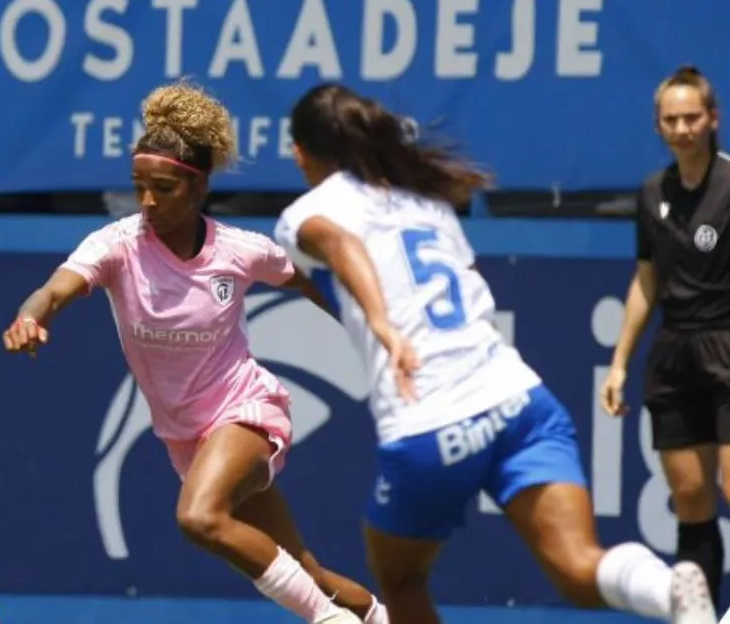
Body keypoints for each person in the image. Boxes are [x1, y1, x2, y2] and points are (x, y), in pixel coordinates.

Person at [273, 81, 717, 624]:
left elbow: (343, 247)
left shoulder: (308, 211)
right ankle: (670, 589)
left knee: (401, 580)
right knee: (579, 569)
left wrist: (383, 324)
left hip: (430, 423)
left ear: (301, 151)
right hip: (520, 403)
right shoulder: (425, 199)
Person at [2, 81, 388, 624]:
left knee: (199, 517)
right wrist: (30, 317)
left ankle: (330, 623)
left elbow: (313, 283)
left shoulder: (241, 251)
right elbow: (54, 289)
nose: (148, 202)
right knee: (309, 573)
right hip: (186, 440)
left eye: (163, 188)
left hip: (246, 413)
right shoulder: (116, 245)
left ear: (198, 187)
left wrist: (375, 331)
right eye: (139, 186)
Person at [602, 64, 730, 611]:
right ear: (658, 126)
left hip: (727, 345)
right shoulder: (652, 191)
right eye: (671, 120)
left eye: (692, 118)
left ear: (713, 118)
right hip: (674, 355)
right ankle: (699, 614)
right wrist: (619, 365)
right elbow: (646, 281)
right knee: (692, 499)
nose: (682, 128)